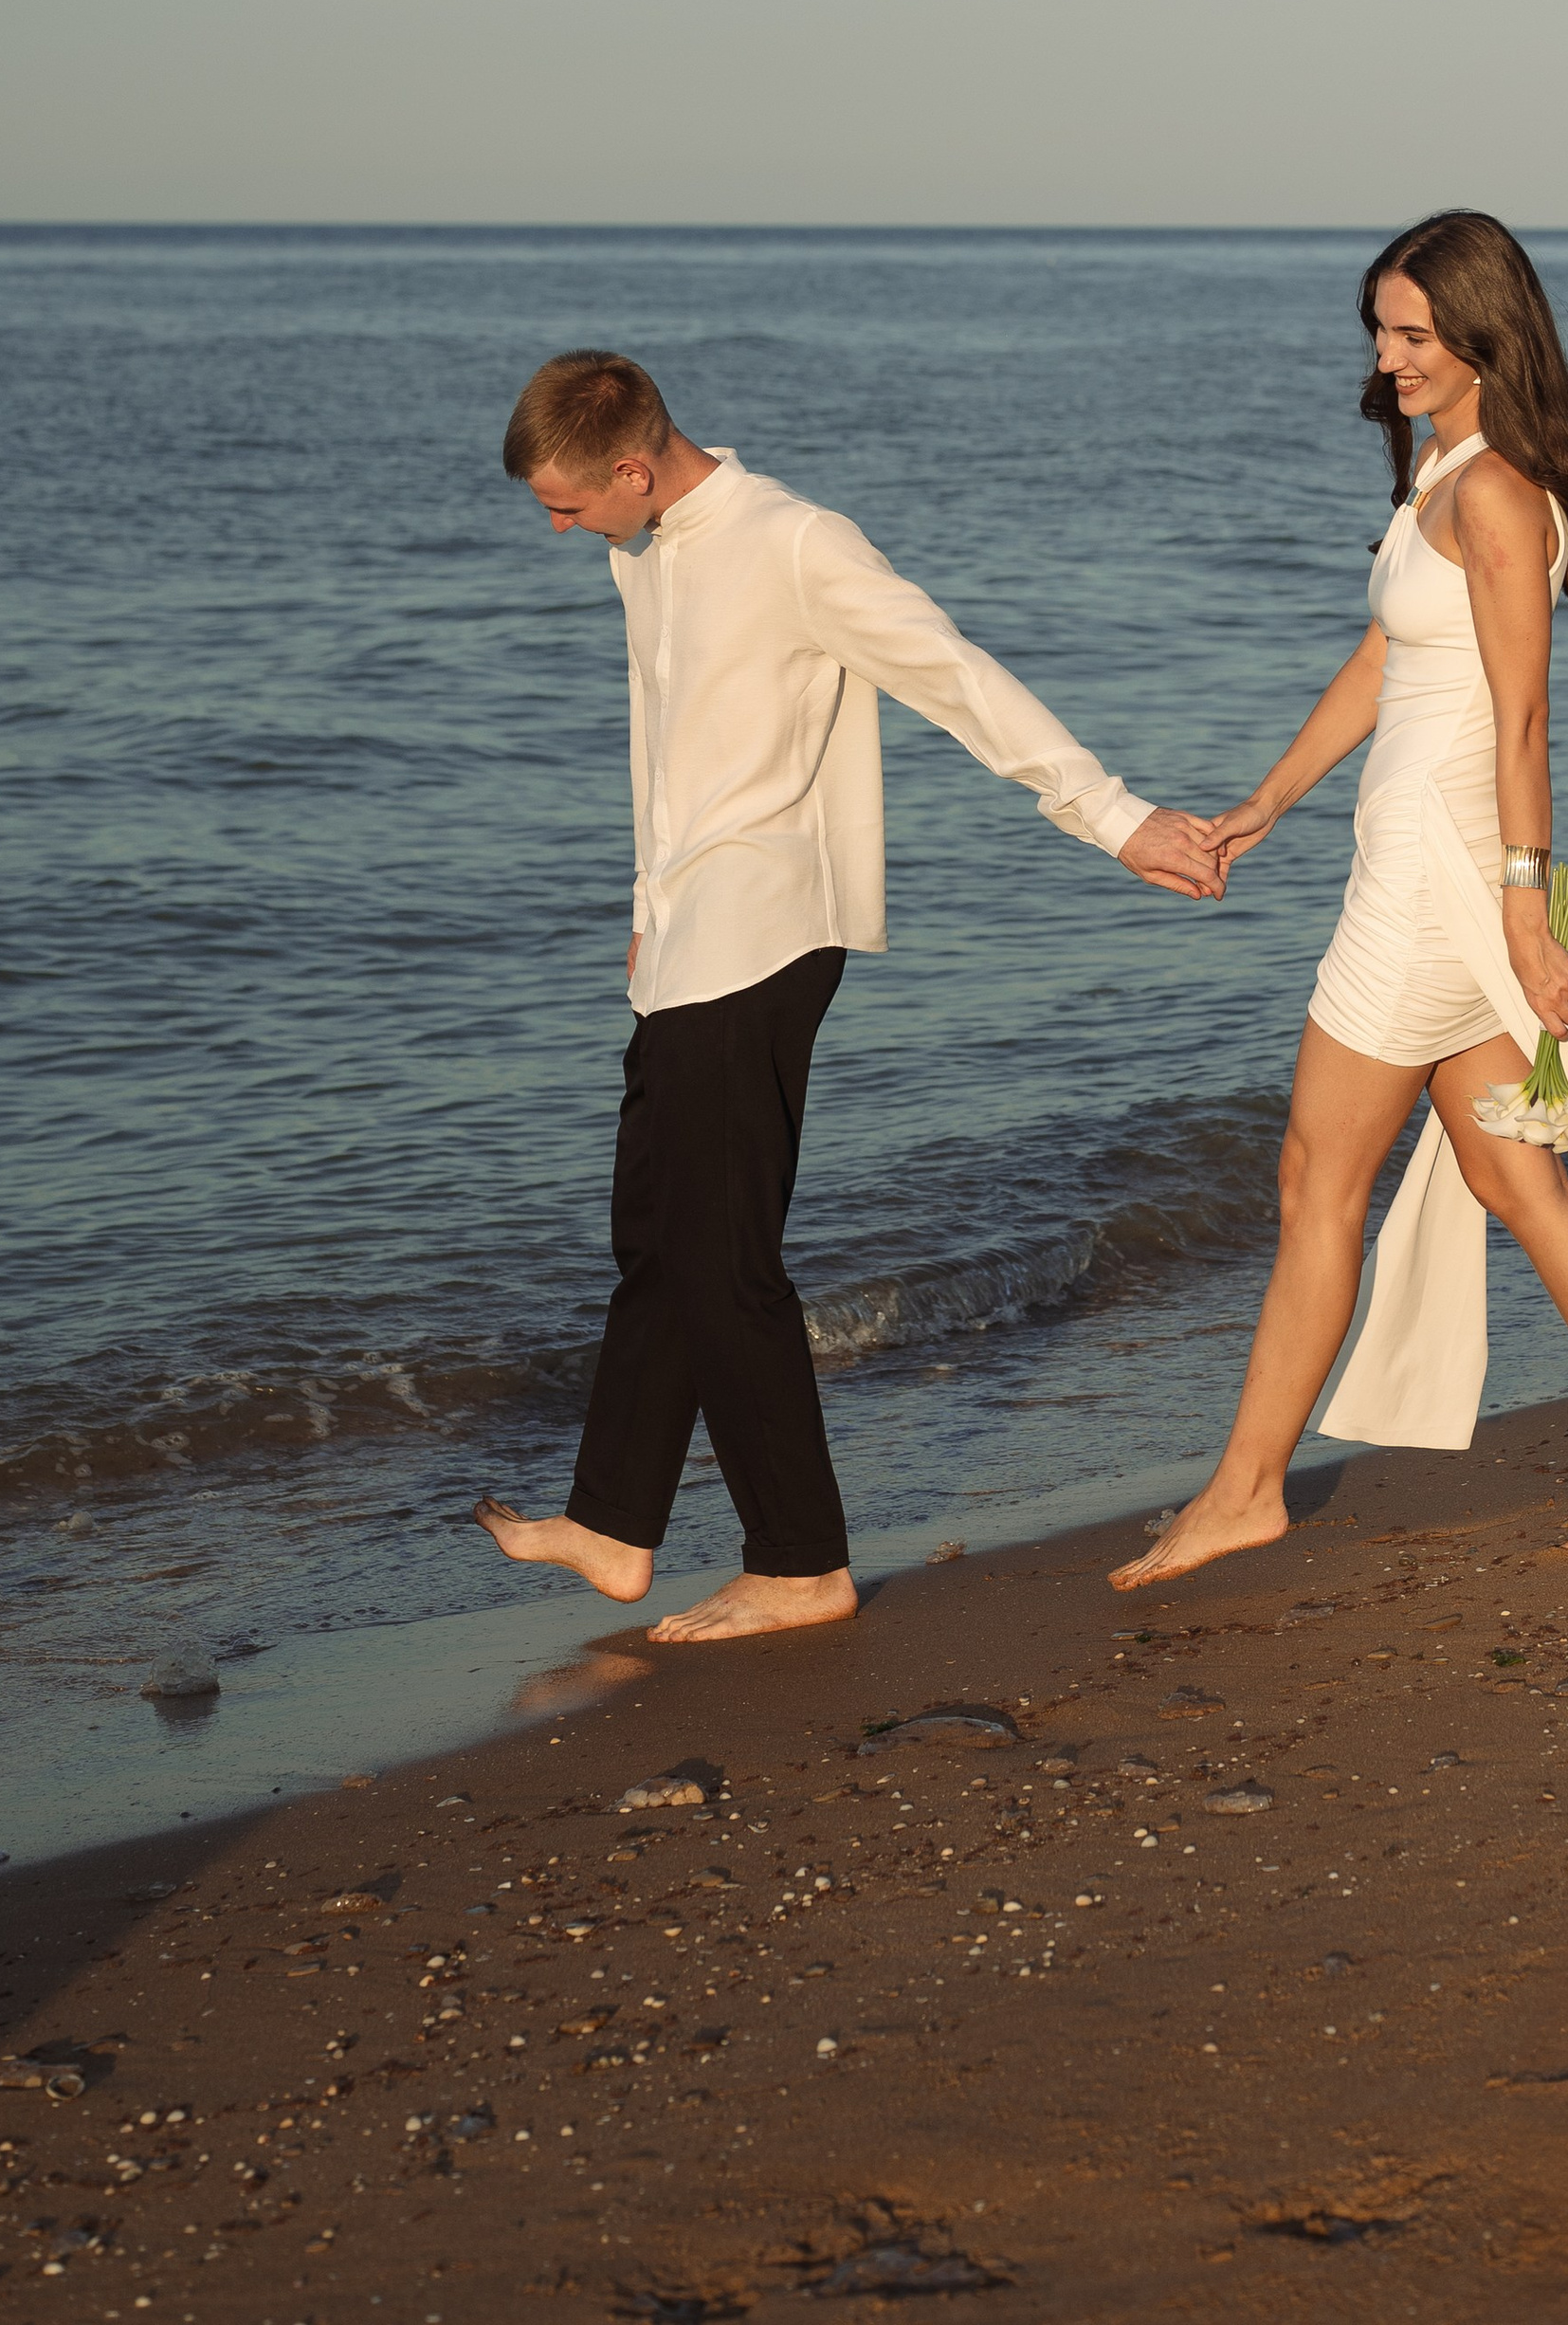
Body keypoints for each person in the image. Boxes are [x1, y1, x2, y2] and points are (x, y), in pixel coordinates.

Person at [476, 351, 1223, 1644]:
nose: (557, 527)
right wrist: (648, 911)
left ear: (633, 468)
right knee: (655, 1237)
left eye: (566, 504)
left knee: (726, 1263)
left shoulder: (796, 543)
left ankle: (800, 1563)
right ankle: (612, 1523)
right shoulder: (641, 550)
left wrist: (1113, 818)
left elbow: (957, 678)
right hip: (686, 942)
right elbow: (666, 750)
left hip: (767, 935)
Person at [1113, 211, 1568, 1591]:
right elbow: (1387, 658)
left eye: (1413, 334)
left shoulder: (1496, 496)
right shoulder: (1443, 468)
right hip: (1433, 870)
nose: (1387, 357)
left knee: (1317, 1181)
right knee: (1516, 1173)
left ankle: (1244, 1492)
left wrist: (1527, 916)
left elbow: (1523, 721)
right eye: (1379, 330)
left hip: (1441, 889)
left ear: (1483, 335)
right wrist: (1267, 802)